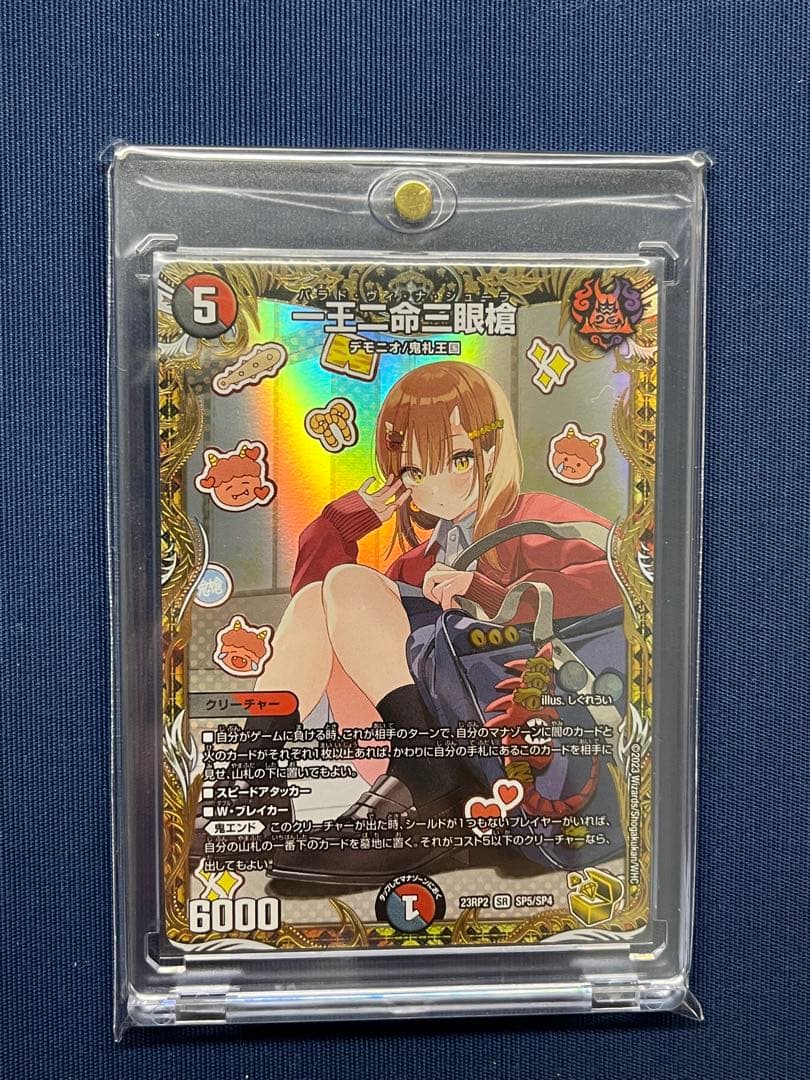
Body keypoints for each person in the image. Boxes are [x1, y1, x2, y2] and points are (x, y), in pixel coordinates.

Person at [256, 361, 621, 885]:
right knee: (330, 592)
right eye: (414, 470)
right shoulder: (419, 562)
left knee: (350, 586)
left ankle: (427, 783)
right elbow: (313, 604)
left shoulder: (534, 519)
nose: (435, 484)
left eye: (457, 458)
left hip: (509, 745)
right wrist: (343, 523)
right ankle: (254, 777)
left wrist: (489, 593)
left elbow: (625, 574)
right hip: (420, 749)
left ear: (490, 452)